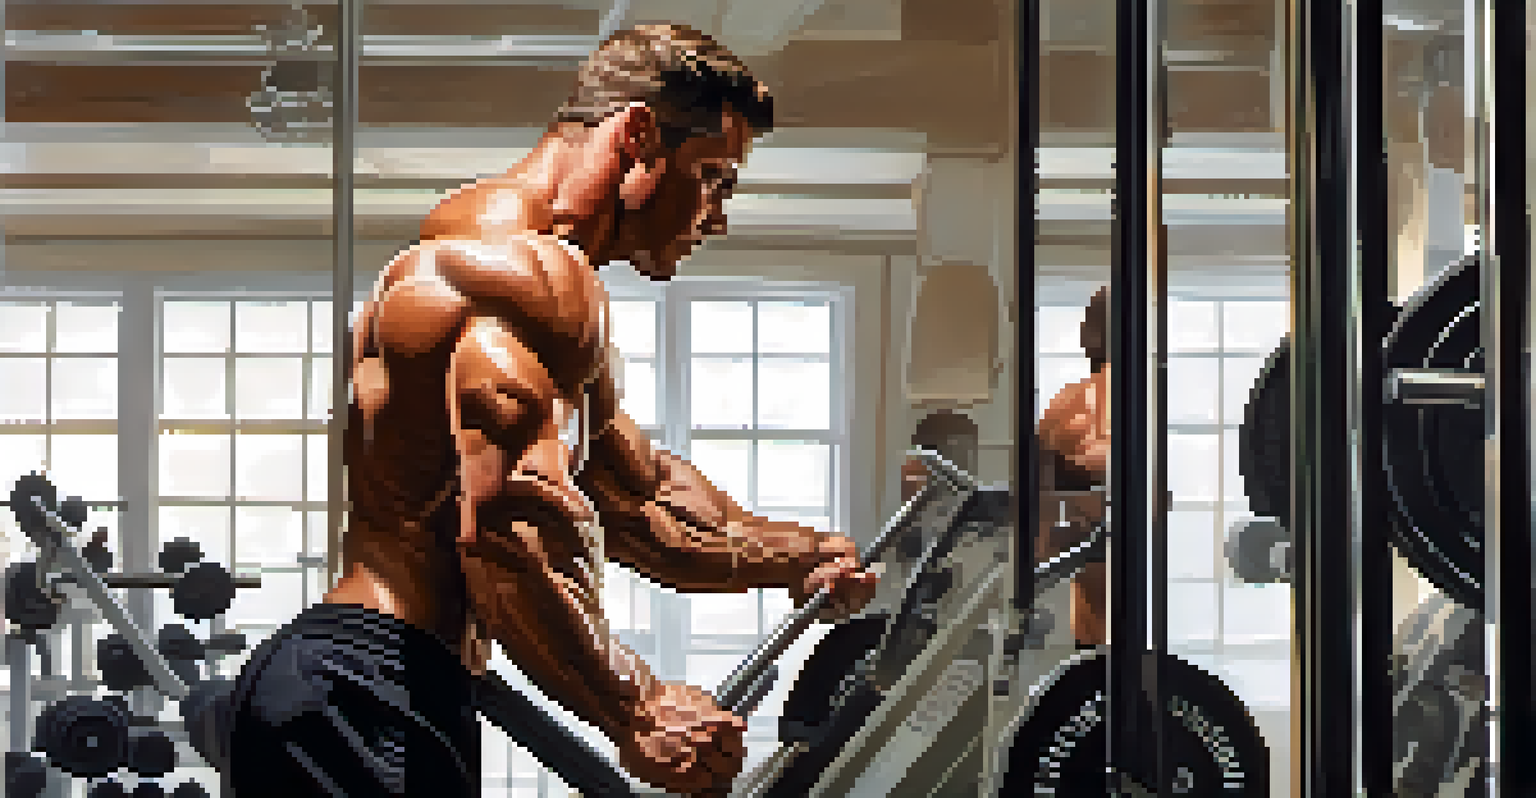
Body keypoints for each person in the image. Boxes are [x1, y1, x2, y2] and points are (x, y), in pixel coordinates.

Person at [226, 24, 880, 798]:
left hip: (383, 684)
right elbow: (508, 521)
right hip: (361, 687)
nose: (717, 214)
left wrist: (794, 555)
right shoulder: (522, 271)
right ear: (637, 135)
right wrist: (635, 710)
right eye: (714, 177)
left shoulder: (536, 290)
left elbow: (638, 505)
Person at [1037, 286, 1110, 647]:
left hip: (1088, 532)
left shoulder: (1064, 402)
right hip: (1103, 530)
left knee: (1093, 639)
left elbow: (1039, 484)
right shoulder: (1129, 391)